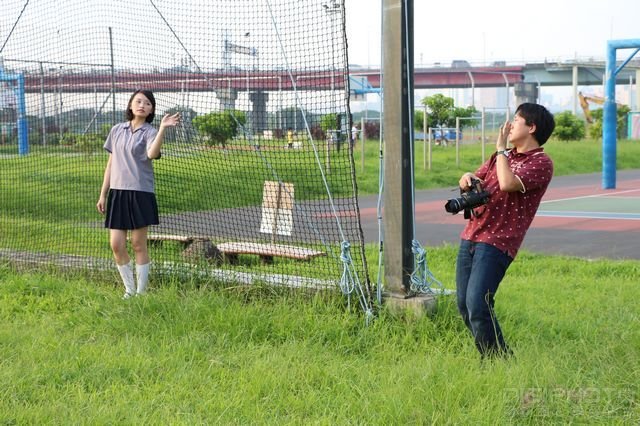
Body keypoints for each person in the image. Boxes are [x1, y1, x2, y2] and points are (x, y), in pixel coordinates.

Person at [455, 102, 555, 358]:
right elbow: (477, 178)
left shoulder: (541, 162)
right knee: (465, 306)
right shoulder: (501, 157)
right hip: (471, 235)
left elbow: (508, 183)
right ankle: (490, 357)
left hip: (497, 241)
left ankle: (499, 361)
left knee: (478, 304)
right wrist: (467, 178)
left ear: (531, 127)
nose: (509, 126)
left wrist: (501, 150)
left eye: (516, 121)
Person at [96, 90, 180, 299]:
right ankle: (129, 290)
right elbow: (111, 163)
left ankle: (141, 294)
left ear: (151, 109)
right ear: (131, 105)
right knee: (116, 244)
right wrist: (103, 194)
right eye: (138, 101)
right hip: (117, 193)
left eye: (147, 103)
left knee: (138, 244)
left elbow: (152, 154)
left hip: (140, 193)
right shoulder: (117, 130)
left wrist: (162, 129)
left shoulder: (150, 132)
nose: (142, 105)